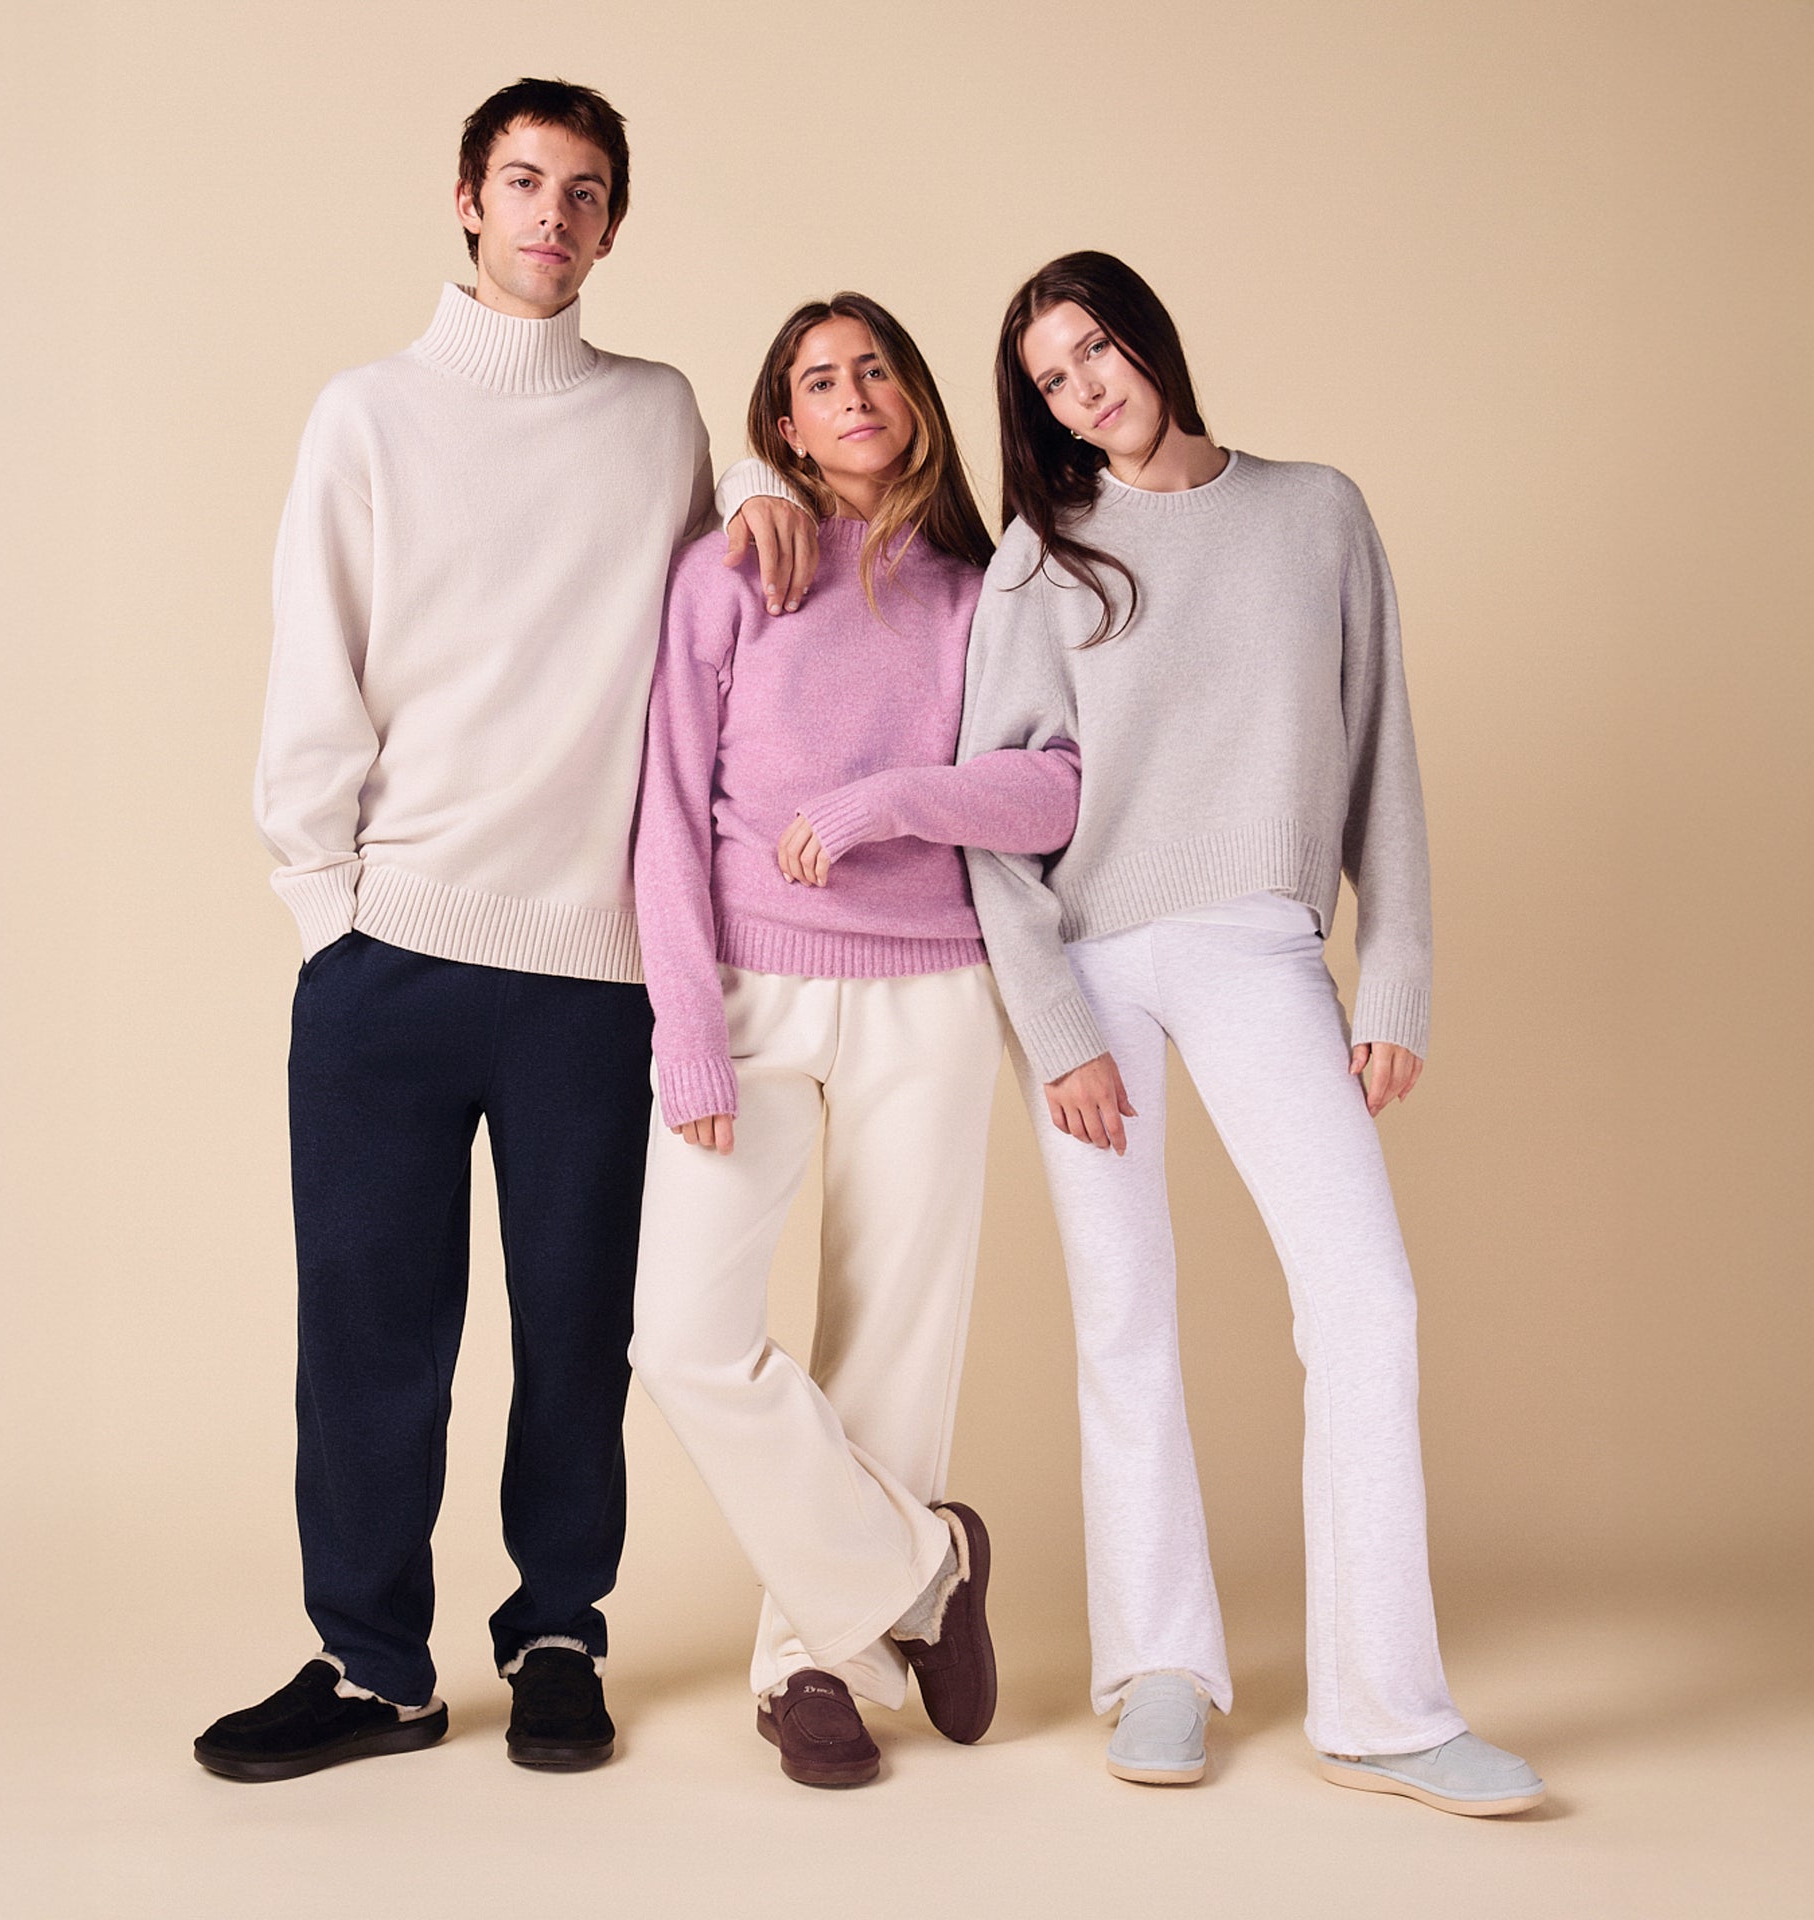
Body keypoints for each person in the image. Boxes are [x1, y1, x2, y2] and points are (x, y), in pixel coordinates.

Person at [192, 77, 816, 1784]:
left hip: (592, 975)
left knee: (574, 1330)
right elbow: (313, 662)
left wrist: (767, 470)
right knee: (371, 1336)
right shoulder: (367, 414)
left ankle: (558, 1631)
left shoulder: (661, 413)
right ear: (466, 199)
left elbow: (712, 636)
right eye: (525, 181)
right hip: (388, 957)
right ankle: (373, 1665)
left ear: (615, 224)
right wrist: (330, 915)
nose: (555, 213)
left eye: (588, 190)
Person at [959, 251, 1545, 1817]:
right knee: (1122, 1314)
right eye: (1052, 378)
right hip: (1087, 969)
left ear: (1150, 338)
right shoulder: (1040, 558)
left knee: (1364, 1300)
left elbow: (1383, 760)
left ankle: (1386, 1707)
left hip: (1257, 944)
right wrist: (1054, 1020)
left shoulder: (1316, 514)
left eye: (1098, 350)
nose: (1087, 389)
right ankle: (1161, 1666)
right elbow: (989, 828)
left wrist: (1397, 976)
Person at [628, 294, 1081, 1787]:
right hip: (750, 993)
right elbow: (664, 818)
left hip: (934, 990)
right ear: (785, 426)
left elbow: (1057, 790)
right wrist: (688, 1040)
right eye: (819, 380)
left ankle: (810, 1667)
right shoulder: (734, 570)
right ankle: (922, 1570)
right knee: (685, 1335)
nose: (853, 392)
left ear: (916, 397)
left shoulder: (989, 589)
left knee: (896, 1337)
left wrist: (893, 800)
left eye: (873, 366)